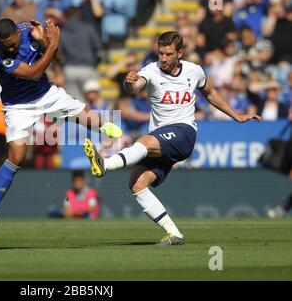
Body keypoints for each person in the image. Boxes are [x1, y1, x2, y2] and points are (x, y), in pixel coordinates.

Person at [83, 31, 262, 246]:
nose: (163, 58)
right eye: (160, 53)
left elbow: (211, 93)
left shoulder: (194, 71)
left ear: (180, 52)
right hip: (160, 138)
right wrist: (129, 83)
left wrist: (237, 116)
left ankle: (104, 164)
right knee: (137, 183)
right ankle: (174, 233)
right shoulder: (151, 70)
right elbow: (135, 85)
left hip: (184, 133)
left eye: (168, 54)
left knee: (145, 142)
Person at [0, 18, 123, 238]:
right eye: (6, 44)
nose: (10, 48)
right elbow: (33, 73)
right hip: (18, 106)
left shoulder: (29, 29)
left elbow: (59, 59)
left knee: (90, 119)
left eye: (13, 43)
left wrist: (47, 42)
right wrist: (52, 44)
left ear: (18, 32)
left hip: (46, 94)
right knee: (16, 156)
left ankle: (102, 128)